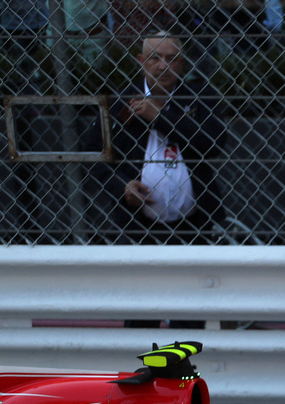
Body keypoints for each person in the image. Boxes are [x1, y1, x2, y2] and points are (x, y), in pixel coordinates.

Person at [83, 30, 227, 244]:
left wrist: (160, 117)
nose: (163, 66)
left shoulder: (201, 97)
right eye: (155, 58)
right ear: (141, 61)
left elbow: (213, 144)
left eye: (171, 59)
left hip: (197, 225)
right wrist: (121, 186)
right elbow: (92, 152)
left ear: (182, 63)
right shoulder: (119, 101)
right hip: (135, 226)